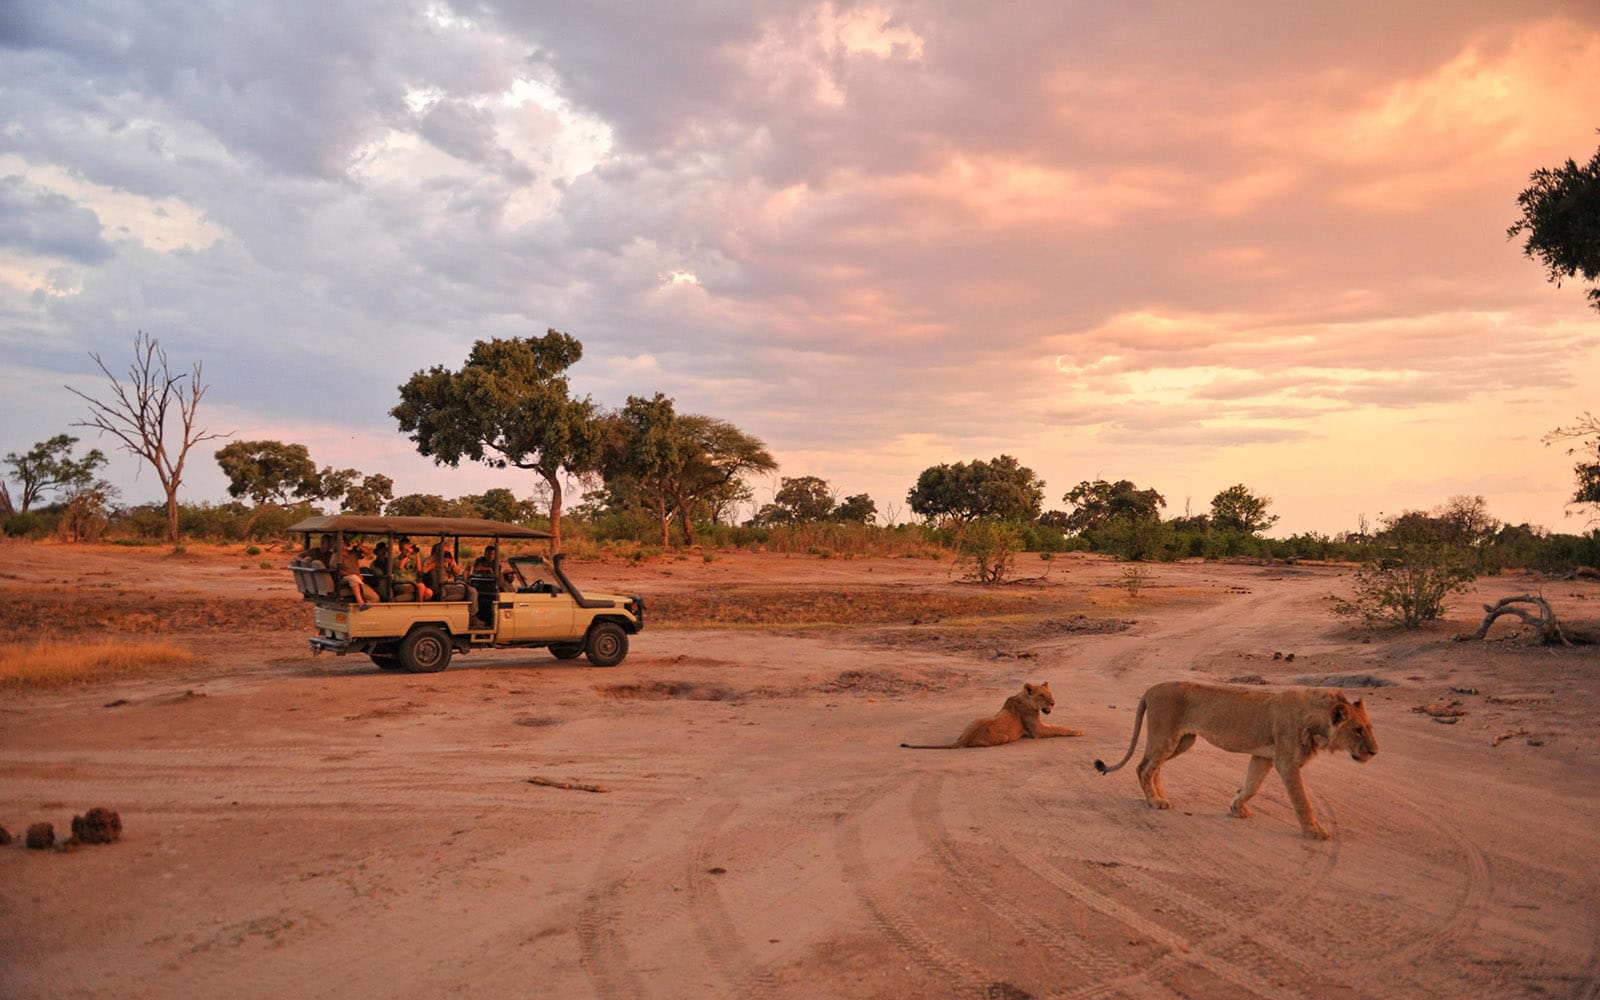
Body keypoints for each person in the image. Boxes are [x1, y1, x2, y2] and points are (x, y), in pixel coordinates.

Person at [332, 538, 377, 610]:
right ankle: (361, 603)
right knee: (353, 577)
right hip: (344, 579)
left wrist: (359, 545)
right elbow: (337, 571)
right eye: (340, 542)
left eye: (343, 542)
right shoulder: (335, 556)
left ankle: (366, 613)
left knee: (374, 597)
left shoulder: (352, 553)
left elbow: (368, 553)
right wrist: (352, 575)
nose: (342, 544)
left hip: (357, 580)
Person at [393, 537, 433, 602]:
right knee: (421, 586)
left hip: (413, 584)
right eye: (405, 549)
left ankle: (419, 603)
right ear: (400, 549)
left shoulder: (413, 559)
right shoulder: (395, 559)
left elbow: (419, 570)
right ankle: (419, 606)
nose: (407, 551)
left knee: (429, 592)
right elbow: (400, 566)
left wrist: (417, 555)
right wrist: (407, 555)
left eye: (408, 548)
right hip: (401, 584)